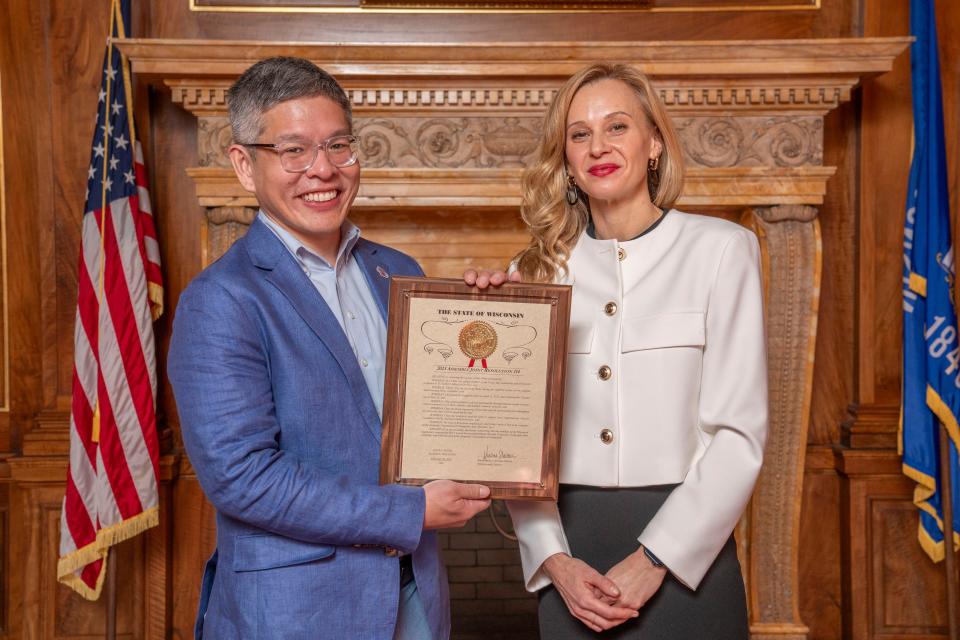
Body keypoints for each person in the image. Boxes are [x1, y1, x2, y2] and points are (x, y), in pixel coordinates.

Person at [168, 57, 490, 640]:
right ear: (245, 165)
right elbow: (243, 477)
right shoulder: (220, 300)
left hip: (415, 594)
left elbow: (437, 417)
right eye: (294, 151)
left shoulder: (399, 273)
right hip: (297, 610)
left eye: (338, 145)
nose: (324, 170)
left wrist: (494, 317)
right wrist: (410, 514)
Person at [466, 63, 768, 638]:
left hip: (688, 561)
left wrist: (654, 560)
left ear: (654, 143)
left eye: (617, 127)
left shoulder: (722, 251)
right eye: (579, 134)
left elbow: (740, 434)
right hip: (571, 565)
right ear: (566, 160)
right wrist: (555, 562)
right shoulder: (531, 273)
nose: (597, 146)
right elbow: (513, 447)